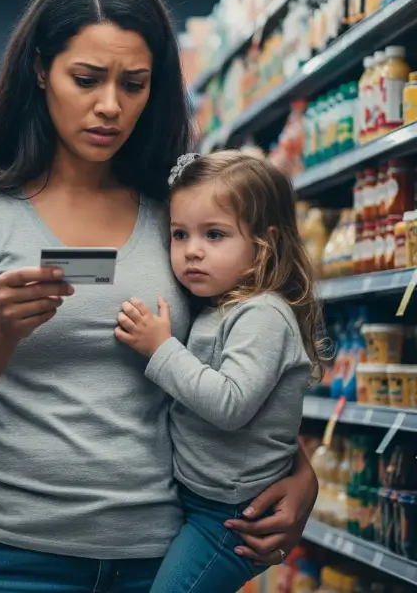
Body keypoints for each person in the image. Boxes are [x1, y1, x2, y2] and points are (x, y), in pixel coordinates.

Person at [0, 0, 319, 593]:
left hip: (162, 550)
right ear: (40, 70)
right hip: (8, 553)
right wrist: (1, 330)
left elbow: (241, 356)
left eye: (135, 84)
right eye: (87, 79)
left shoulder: (180, 215)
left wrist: (300, 472)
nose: (110, 106)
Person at [114, 151, 325, 593]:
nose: (192, 251)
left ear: (264, 243)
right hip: (201, 498)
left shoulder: (263, 314)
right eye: (179, 234)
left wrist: (161, 349)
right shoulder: (220, 306)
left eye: (214, 234)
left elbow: (230, 405)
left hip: (230, 515)